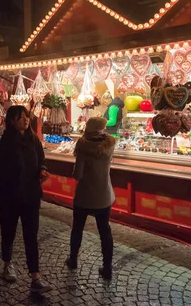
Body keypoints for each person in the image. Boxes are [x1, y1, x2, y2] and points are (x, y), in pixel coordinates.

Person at [0, 105, 52, 294]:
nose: (26, 120)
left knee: (31, 236)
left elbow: (41, 159)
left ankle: (35, 276)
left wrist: (42, 170)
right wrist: (6, 181)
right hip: (9, 198)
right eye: (21, 117)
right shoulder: (2, 145)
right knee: (9, 233)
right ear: (12, 121)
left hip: (31, 197)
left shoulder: (34, 141)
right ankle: (7, 264)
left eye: (27, 116)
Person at [66, 117, 116, 280]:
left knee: (77, 229)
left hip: (85, 196)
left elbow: (78, 175)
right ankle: (107, 268)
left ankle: (73, 259)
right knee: (105, 232)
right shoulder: (110, 145)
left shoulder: (83, 146)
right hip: (104, 195)